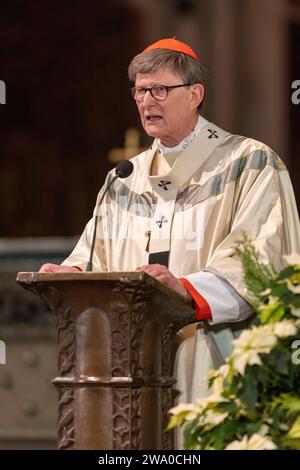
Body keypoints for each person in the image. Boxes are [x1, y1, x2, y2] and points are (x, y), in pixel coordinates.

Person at [40, 38, 300, 407]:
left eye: (160, 89)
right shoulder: (124, 179)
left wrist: (186, 289)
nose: (147, 101)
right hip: (129, 363)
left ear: (195, 94)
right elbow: (94, 253)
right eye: (140, 91)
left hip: (213, 354)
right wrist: (73, 274)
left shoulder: (248, 163)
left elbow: (261, 257)